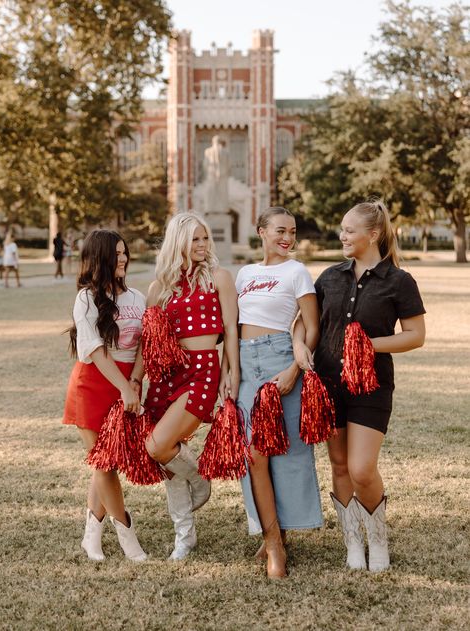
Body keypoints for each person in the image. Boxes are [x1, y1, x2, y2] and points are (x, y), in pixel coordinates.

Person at [293, 200, 426, 572]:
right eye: (342, 229)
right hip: (328, 384)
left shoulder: (399, 281)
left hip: (372, 385)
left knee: (362, 468)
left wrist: (370, 344)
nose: (342, 236)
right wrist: (299, 344)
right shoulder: (329, 277)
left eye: (349, 230)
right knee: (338, 465)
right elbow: (304, 321)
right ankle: (353, 541)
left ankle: (377, 537)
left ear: (374, 234)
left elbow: (416, 335)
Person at [135, 212, 239, 561]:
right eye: (195, 239)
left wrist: (231, 373)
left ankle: (199, 480)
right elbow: (148, 342)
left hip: (204, 372)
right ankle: (185, 535)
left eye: (205, 238)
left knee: (157, 445)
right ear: (177, 242)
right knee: (166, 455)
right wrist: (137, 380)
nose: (202, 245)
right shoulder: (159, 288)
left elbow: (231, 330)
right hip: (168, 376)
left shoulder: (219, 278)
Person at [233, 206, 322, 579]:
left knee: (282, 452)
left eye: (293, 231)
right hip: (246, 365)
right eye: (280, 231)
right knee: (253, 457)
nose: (287, 238)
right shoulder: (245, 274)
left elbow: (312, 328)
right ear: (261, 232)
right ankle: (272, 540)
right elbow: (233, 326)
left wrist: (292, 371)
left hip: (280, 360)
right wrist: (231, 374)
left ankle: (278, 541)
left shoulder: (297, 271)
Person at [62, 229, 148, 562]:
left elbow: (144, 344)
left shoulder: (137, 298)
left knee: (105, 463)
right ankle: (128, 536)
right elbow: (96, 351)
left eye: (126, 252)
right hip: (94, 386)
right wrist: (125, 387)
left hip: (126, 385)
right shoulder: (86, 298)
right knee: (106, 463)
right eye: (118, 253)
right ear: (101, 258)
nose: (124, 258)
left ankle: (91, 536)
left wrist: (136, 382)